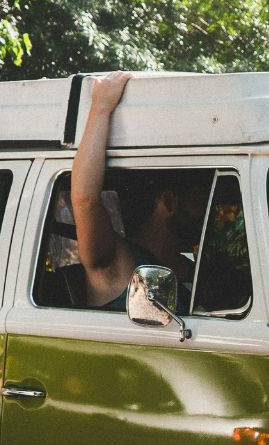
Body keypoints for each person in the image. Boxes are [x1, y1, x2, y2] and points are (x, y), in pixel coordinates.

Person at [70, 71, 212, 310]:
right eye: (199, 203)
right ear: (168, 202)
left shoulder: (186, 268)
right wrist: (101, 107)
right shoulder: (118, 261)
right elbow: (85, 199)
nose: (208, 215)